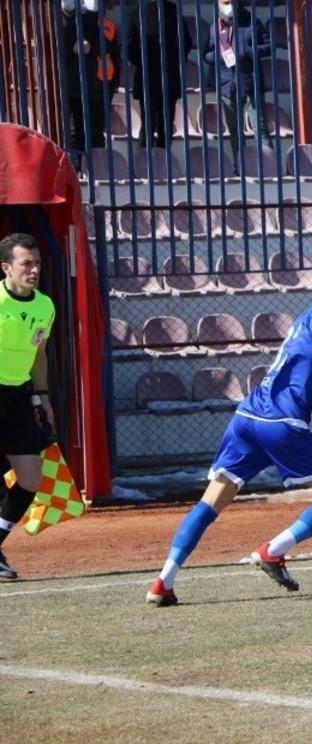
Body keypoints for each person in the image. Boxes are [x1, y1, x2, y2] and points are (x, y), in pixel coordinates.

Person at [145, 254, 312, 607]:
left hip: (247, 419)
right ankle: (273, 551)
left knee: (211, 501)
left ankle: (163, 581)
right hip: (282, 425)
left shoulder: (303, 323)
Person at [0, 234, 57, 580]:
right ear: (6, 268)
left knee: (31, 477)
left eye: (37, 263)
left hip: (19, 397)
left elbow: (39, 356)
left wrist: (44, 397)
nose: (34, 270)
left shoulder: (45, 306)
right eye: (26, 264)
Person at [203, 0, 272, 167]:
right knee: (235, 131)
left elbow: (269, 46)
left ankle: (269, 165)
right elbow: (207, 55)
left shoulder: (252, 22)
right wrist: (221, 55)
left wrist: (246, 51)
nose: (226, 5)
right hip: (227, 85)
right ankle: (241, 165)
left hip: (250, 83)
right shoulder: (216, 26)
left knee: (260, 128)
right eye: (223, 2)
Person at [127, 0, 192, 150]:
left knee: (166, 126)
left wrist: (172, 58)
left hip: (169, 76)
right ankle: (145, 165)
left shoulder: (173, 9)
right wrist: (144, 60)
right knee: (147, 126)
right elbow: (129, 44)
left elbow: (185, 41)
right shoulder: (135, 11)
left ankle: (164, 166)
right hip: (146, 77)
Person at [60, 0, 107, 155]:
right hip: (63, 85)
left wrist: (90, 46)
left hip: (86, 84)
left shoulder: (87, 18)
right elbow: (49, 46)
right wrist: (70, 48)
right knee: (64, 131)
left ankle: (84, 167)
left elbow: (102, 44)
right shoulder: (55, 18)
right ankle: (70, 166)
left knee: (85, 131)